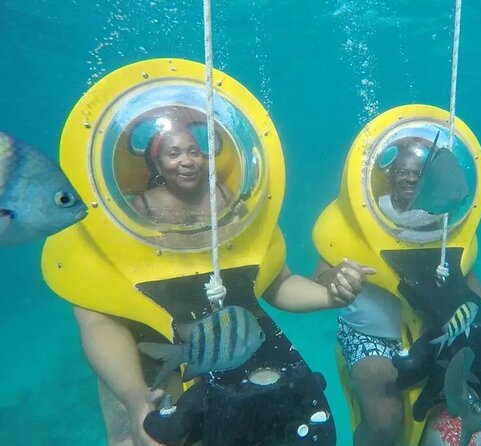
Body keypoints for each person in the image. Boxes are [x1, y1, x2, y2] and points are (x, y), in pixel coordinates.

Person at [75, 123, 377, 446]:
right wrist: (135, 396)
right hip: (151, 339)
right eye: (173, 153)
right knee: (153, 435)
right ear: (157, 163)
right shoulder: (132, 213)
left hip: (226, 336)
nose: (187, 160)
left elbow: (278, 282)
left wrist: (331, 295)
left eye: (193, 150)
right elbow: (98, 316)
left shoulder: (229, 201)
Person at [314, 143, 481, 446]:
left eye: (418, 173)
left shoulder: (442, 218)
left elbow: (467, 278)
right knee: (384, 422)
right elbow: (320, 274)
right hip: (371, 336)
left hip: (438, 332)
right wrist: (337, 280)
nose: (410, 178)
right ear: (391, 173)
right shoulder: (362, 214)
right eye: (403, 171)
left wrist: (479, 329)